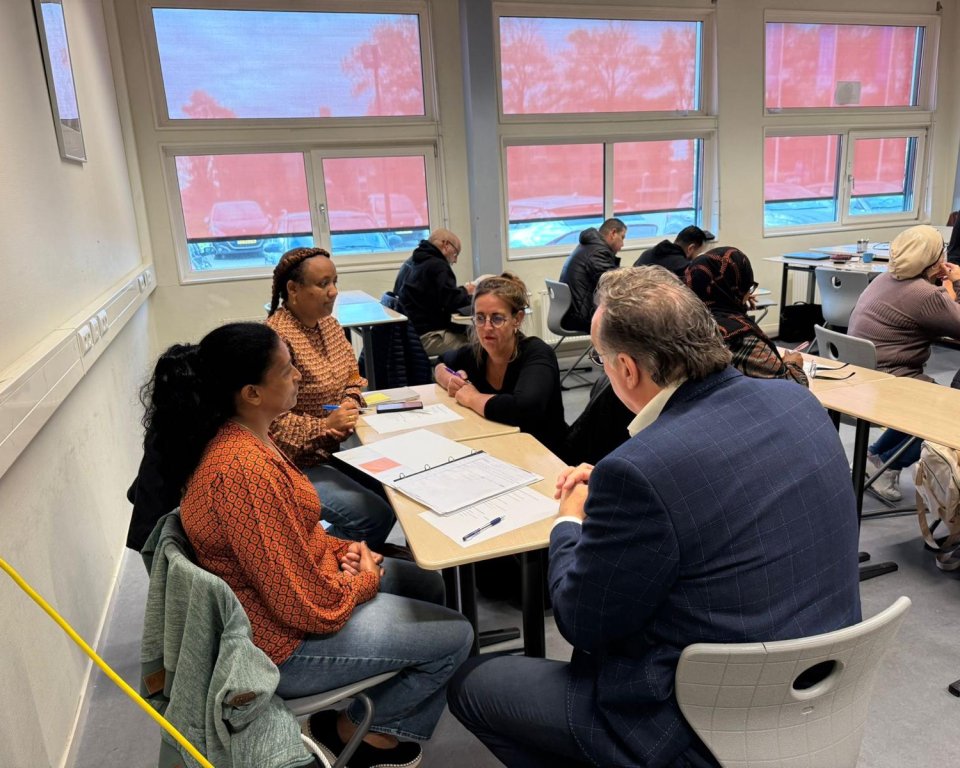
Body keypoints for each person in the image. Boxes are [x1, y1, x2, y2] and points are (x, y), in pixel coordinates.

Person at [448, 266, 862, 768]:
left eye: (600, 360)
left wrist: (569, 520)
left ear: (626, 369)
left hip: (695, 722)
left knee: (472, 684)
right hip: (822, 688)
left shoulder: (640, 470)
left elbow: (580, 620)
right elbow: (721, 486)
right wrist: (621, 493)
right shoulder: (797, 400)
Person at [144, 322, 473, 768]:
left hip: (292, 604)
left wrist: (341, 552)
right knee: (457, 636)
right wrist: (364, 581)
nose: (298, 375)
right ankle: (358, 735)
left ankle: (369, 706)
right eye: (286, 370)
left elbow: (295, 534)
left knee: (426, 585)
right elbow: (305, 609)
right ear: (251, 393)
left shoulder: (250, 436)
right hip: (282, 646)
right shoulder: (241, 472)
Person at [265, 247, 396, 549]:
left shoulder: (330, 325)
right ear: (293, 289)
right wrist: (324, 425)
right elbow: (271, 422)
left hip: (327, 453)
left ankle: (351, 553)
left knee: (393, 491)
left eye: (335, 281)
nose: (334, 291)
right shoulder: (276, 341)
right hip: (290, 464)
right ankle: (320, 560)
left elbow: (353, 377)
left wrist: (350, 400)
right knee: (374, 516)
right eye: (323, 284)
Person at [848, 224, 960, 501]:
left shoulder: (884, 279)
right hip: (889, 380)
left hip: (859, 376)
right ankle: (889, 466)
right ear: (936, 259)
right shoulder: (925, 295)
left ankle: (876, 456)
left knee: (930, 397)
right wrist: (957, 282)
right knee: (951, 411)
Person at [434, 273, 567, 455]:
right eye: (480, 318)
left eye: (497, 319)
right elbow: (441, 363)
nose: (487, 327)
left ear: (517, 319)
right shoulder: (477, 352)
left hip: (544, 454)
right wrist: (450, 379)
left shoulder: (537, 353)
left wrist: (472, 398)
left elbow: (524, 409)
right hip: (498, 447)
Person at [686, 246, 808, 385]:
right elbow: (794, 386)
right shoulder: (738, 337)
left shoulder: (683, 321)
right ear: (736, 289)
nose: (749, 293)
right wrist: (793, 364)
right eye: (748, 287)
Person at [393, 228, 487, 356]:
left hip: (408, 334)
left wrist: (463, 291)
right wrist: (476, 296)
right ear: (446, 245)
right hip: (426, 337)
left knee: (471, 331)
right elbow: (453, 302)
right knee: (482, 341)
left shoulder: (411, 262)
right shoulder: (438, 266)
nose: (455, 260)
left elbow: (441, 295)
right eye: (456, 254)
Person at [557, 217, 627, 332]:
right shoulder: (598, 252)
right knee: (632, 316)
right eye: (622, 237)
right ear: (613, 233)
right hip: (581, 317)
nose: (622, 244)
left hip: (571, 313)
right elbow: (613, 283)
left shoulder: (587, 246)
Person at [633, 224, 716, 276]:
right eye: (698, 253)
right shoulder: (684, 268)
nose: (696, 258)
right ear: (691, 248)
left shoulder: (647, 253)